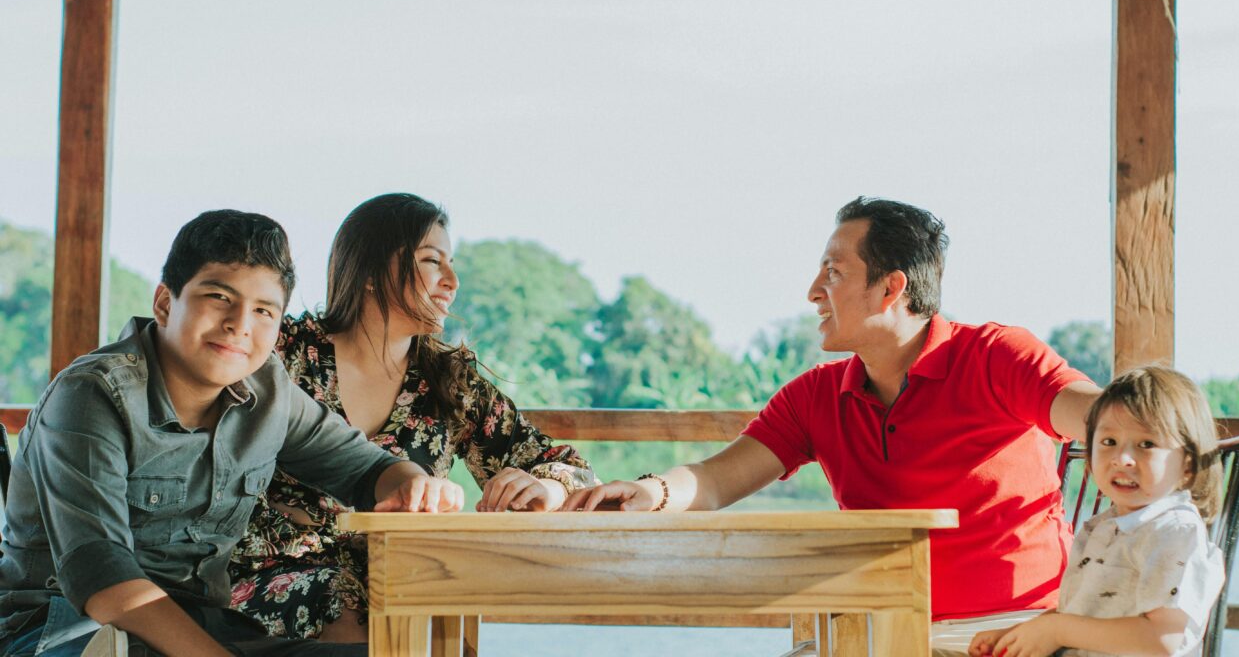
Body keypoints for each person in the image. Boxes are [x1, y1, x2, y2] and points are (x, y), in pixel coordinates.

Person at [563, 196, 1102, 655]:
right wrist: (648, 490)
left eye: (834, 273)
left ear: (892, 289)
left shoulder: (998, 356)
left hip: (1015, 634)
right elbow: (714, 479)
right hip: (877, 632)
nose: (813, 291)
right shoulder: (817, 395)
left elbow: (1104, 419)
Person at [0, 210, 462, 657]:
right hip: (63, 628)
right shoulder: (92, 395)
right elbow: (102, 580)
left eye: (264, 310)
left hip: (204, 626)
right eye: (219, 297)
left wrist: (412, 484)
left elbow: (366, 467)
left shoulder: (268, 390)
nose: (240, 325)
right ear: (165, 303)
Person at [229, 193, 596, 642]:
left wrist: (547, 486)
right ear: (369, 271)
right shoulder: (285, 352)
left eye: (451, 263)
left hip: (400, 578)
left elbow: (570, 467)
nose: (453, 281)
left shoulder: (450, 383)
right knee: (353, 605)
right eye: (431, 261)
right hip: (265, 577)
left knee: (409, 599)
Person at [968, 366, 1225, 657]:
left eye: (1146, 444)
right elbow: (1085, 613)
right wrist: (1023, 635)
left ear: (1187, 463)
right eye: (1109, 442)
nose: (1122, 458)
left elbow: (1162, 641)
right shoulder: (1105, 526)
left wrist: (1057, 630)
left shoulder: (1174, 532)